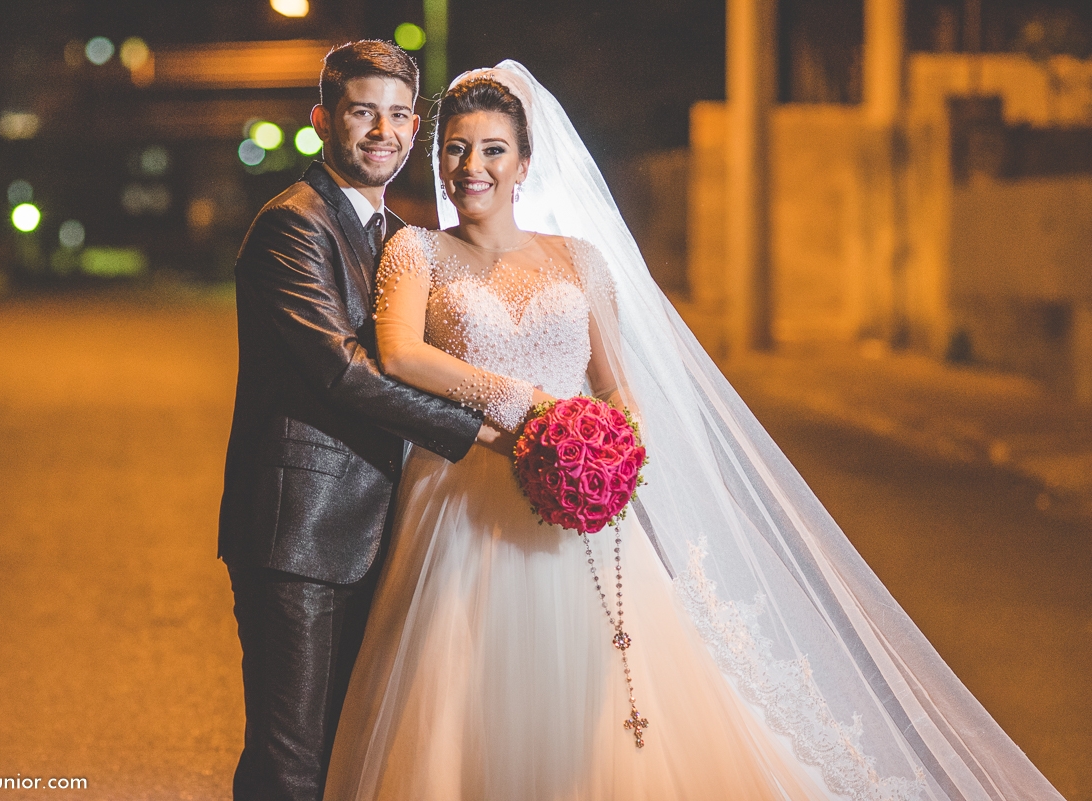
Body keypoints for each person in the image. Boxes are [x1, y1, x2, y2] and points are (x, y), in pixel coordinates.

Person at [322, 63, 1066, 800]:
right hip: (461, 494)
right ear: (438, 157)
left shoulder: (580, 259)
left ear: (524, 162)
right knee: (464, 685)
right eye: (455, 148)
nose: (471, 167)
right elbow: (401, 355)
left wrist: (613, 450)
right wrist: (529, 406)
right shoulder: (415, 252)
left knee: (601, 695)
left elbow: (615, 386)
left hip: (576, 500)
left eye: (491, 149)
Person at [218, 41, 509, 801]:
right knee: (292, 760)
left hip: (379, 527)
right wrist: (473, 425)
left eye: (399, 114)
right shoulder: (292, 225)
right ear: (322, 120)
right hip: (300, 533)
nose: (382, 130)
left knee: (350, 750)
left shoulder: (396, 237)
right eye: (362, 112)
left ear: (415, 129)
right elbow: (341, 370)